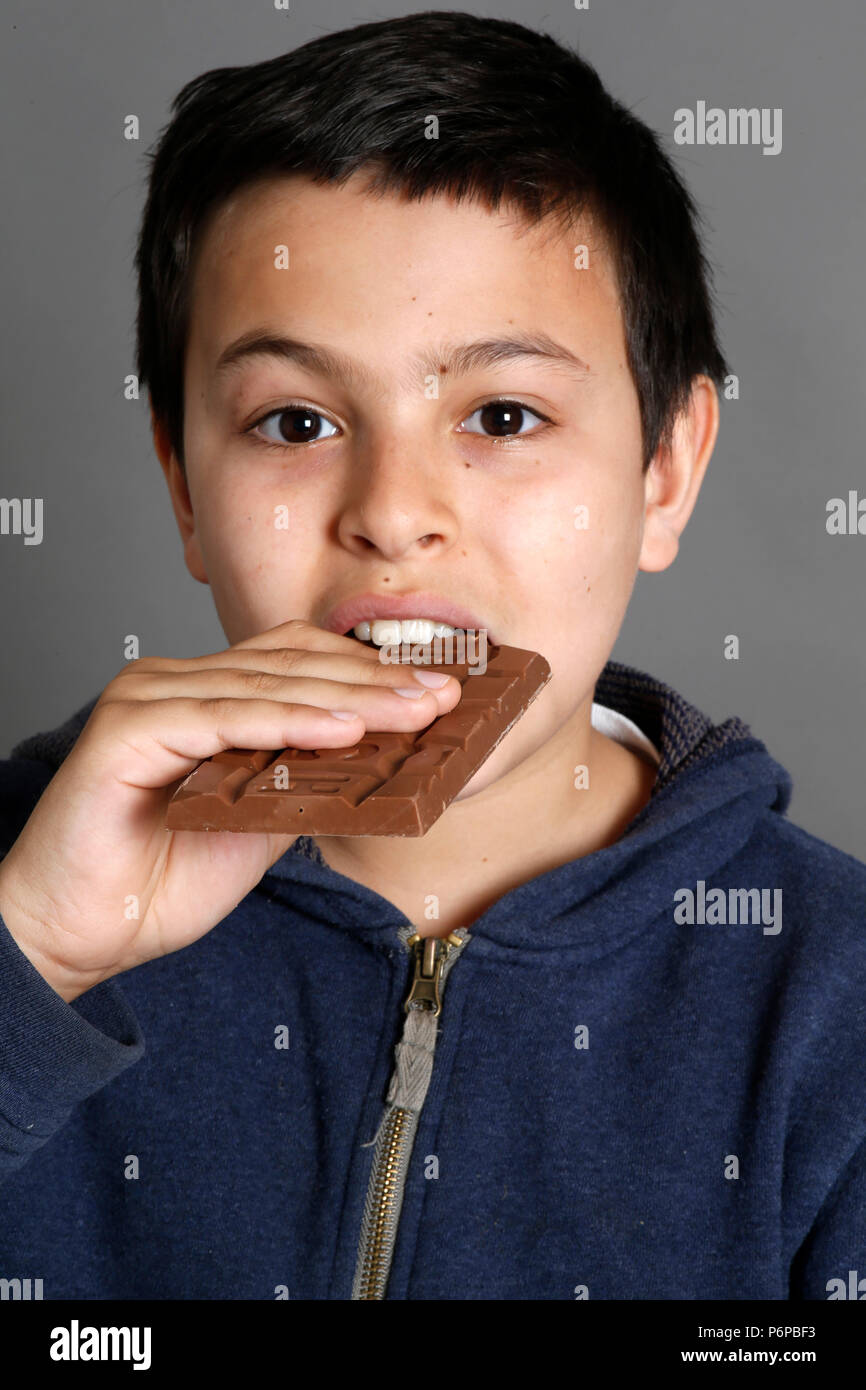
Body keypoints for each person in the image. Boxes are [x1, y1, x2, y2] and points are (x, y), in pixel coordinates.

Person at [1, 11, 863, 1301]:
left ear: (666, 470)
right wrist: (30, 960)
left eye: (502, 415)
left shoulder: (834, 1006)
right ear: (184, 486)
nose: (394, 510)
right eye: (295, 420)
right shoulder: (20, 879)